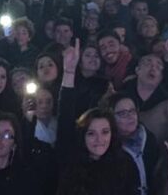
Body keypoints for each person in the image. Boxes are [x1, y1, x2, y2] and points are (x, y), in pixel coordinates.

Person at [56, 39, 140, 195]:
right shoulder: (70, 160)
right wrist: (68, 72)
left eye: (105, 132)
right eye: (91, 133)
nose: (99, 139)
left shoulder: (125, 164)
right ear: (83, 135)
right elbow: (65, 117)